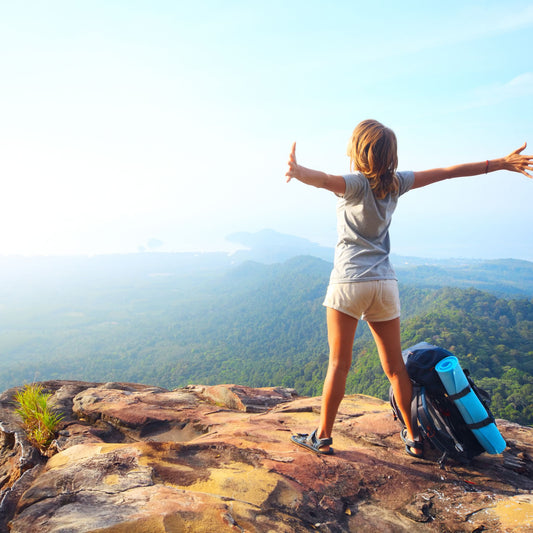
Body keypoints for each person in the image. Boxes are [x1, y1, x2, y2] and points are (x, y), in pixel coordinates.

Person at [285, 119, 532, 457]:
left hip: (349, 281)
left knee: (339, 365)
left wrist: (299, 172)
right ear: (391, 155)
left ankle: (323, 437)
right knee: (395, 368)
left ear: (358, 150)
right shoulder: (396, 184)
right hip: (385, 285)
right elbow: (448, 171)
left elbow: (326, 180)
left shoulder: (355, 183)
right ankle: (414, 438)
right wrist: (500, 164)